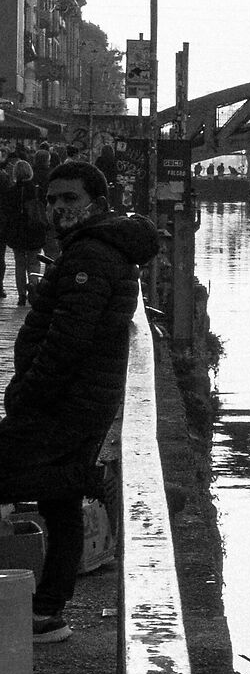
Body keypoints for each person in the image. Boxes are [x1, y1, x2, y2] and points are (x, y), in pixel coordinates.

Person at [0, 160, 160, 643]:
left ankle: (44, 609)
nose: (58, 208)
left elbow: (66, 341)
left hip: (62, 407)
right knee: (61, 503)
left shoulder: (90, 255)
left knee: (49, 488)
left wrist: (24, 395)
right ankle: (47, 615)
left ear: (98, 204)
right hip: (84, 404)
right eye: (52, 200)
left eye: (69, 199)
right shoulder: (99, 250)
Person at [0, 160, 40, 301]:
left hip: (17, 231)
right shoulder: (35, 190)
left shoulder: (11, 191)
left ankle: (21, 294)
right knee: (34, 261)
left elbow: (7, 211)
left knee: (20, 263)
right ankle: (34, 288)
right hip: (34, 229)